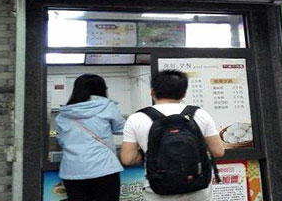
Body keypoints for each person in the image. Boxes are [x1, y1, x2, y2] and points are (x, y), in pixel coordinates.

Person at [120, 70, 225, 201]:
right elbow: (218, 151)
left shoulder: (136, 118)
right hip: (197, 188)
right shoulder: (200, 114)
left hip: (159, 190)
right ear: (184, 93)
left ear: (152, 92)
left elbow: (128, 159)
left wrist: (149, 154)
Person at [55, 74, 125, 201]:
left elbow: (60, 140)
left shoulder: (64, 113)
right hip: (104, 167)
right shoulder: (108, 107)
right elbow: (120, 129)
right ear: (102, 89)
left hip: (72, 170)